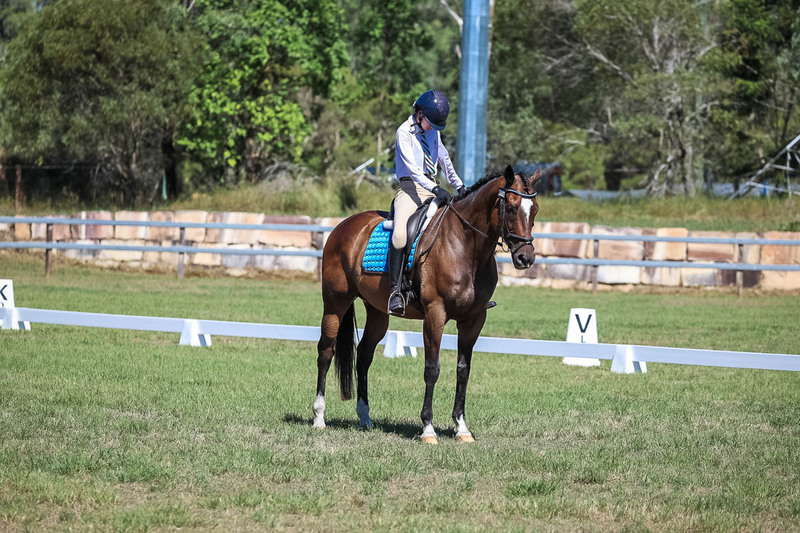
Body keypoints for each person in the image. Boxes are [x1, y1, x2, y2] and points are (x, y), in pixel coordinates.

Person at [388, 89, 465, 316]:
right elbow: (412, 170)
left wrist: (458, 184)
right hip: (410, 188)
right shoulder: (404, 132)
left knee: (457, 227)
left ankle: (466, 292)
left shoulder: (433, 132)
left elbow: (444, 157)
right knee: (401, 233)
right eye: (429, 123)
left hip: (432, 187)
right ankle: (395, 292)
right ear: (419, 113)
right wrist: (435, 188)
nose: (432, 128)